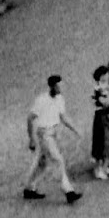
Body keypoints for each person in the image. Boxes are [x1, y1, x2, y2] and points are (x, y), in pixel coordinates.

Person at [23, 74, 82, 203]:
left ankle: (29, 188)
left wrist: (75, 129)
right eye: (58, 86)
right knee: (58, 160)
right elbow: (30, 118)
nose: (61, 88)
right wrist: (31, 138)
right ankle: (68, 191)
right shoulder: (42, 100)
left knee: (42, 163)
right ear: (52, 86)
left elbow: (63, 117)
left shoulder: (60, 99)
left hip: (52, 134)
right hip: (44, 135)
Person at [90, 65, 109, 181]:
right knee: (100, 142)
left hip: (108, 115)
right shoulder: (97, 88)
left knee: (108, 142)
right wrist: (108, 100)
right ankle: (98, 169)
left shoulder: (107, 87)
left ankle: (105, 167)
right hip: (101, 116)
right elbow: (103, 101)